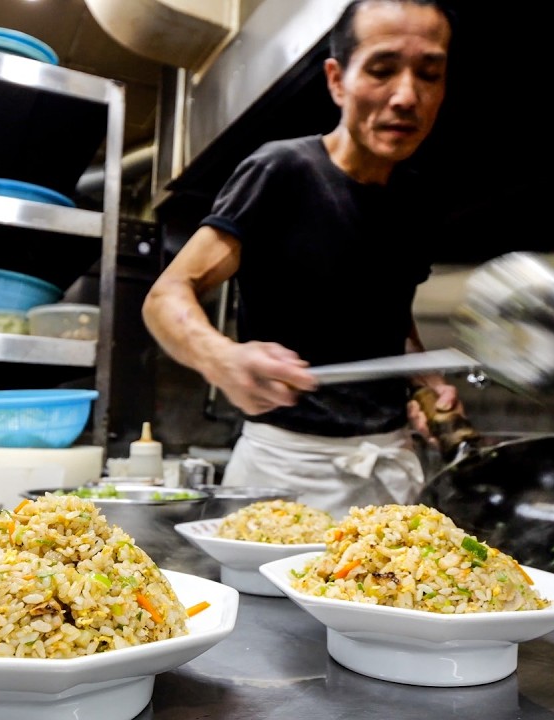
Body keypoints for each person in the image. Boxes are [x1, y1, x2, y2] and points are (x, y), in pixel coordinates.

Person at [142, 0, 460, 515]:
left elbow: (389, 314)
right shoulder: (282, 170)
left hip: (389, 469)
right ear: (337, 80)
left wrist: (426, 382)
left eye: (429, 74)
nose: (407, 96)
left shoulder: (417, 201)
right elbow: (166, 295)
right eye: (381, 70)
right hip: (287, 469)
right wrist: (221, 358)